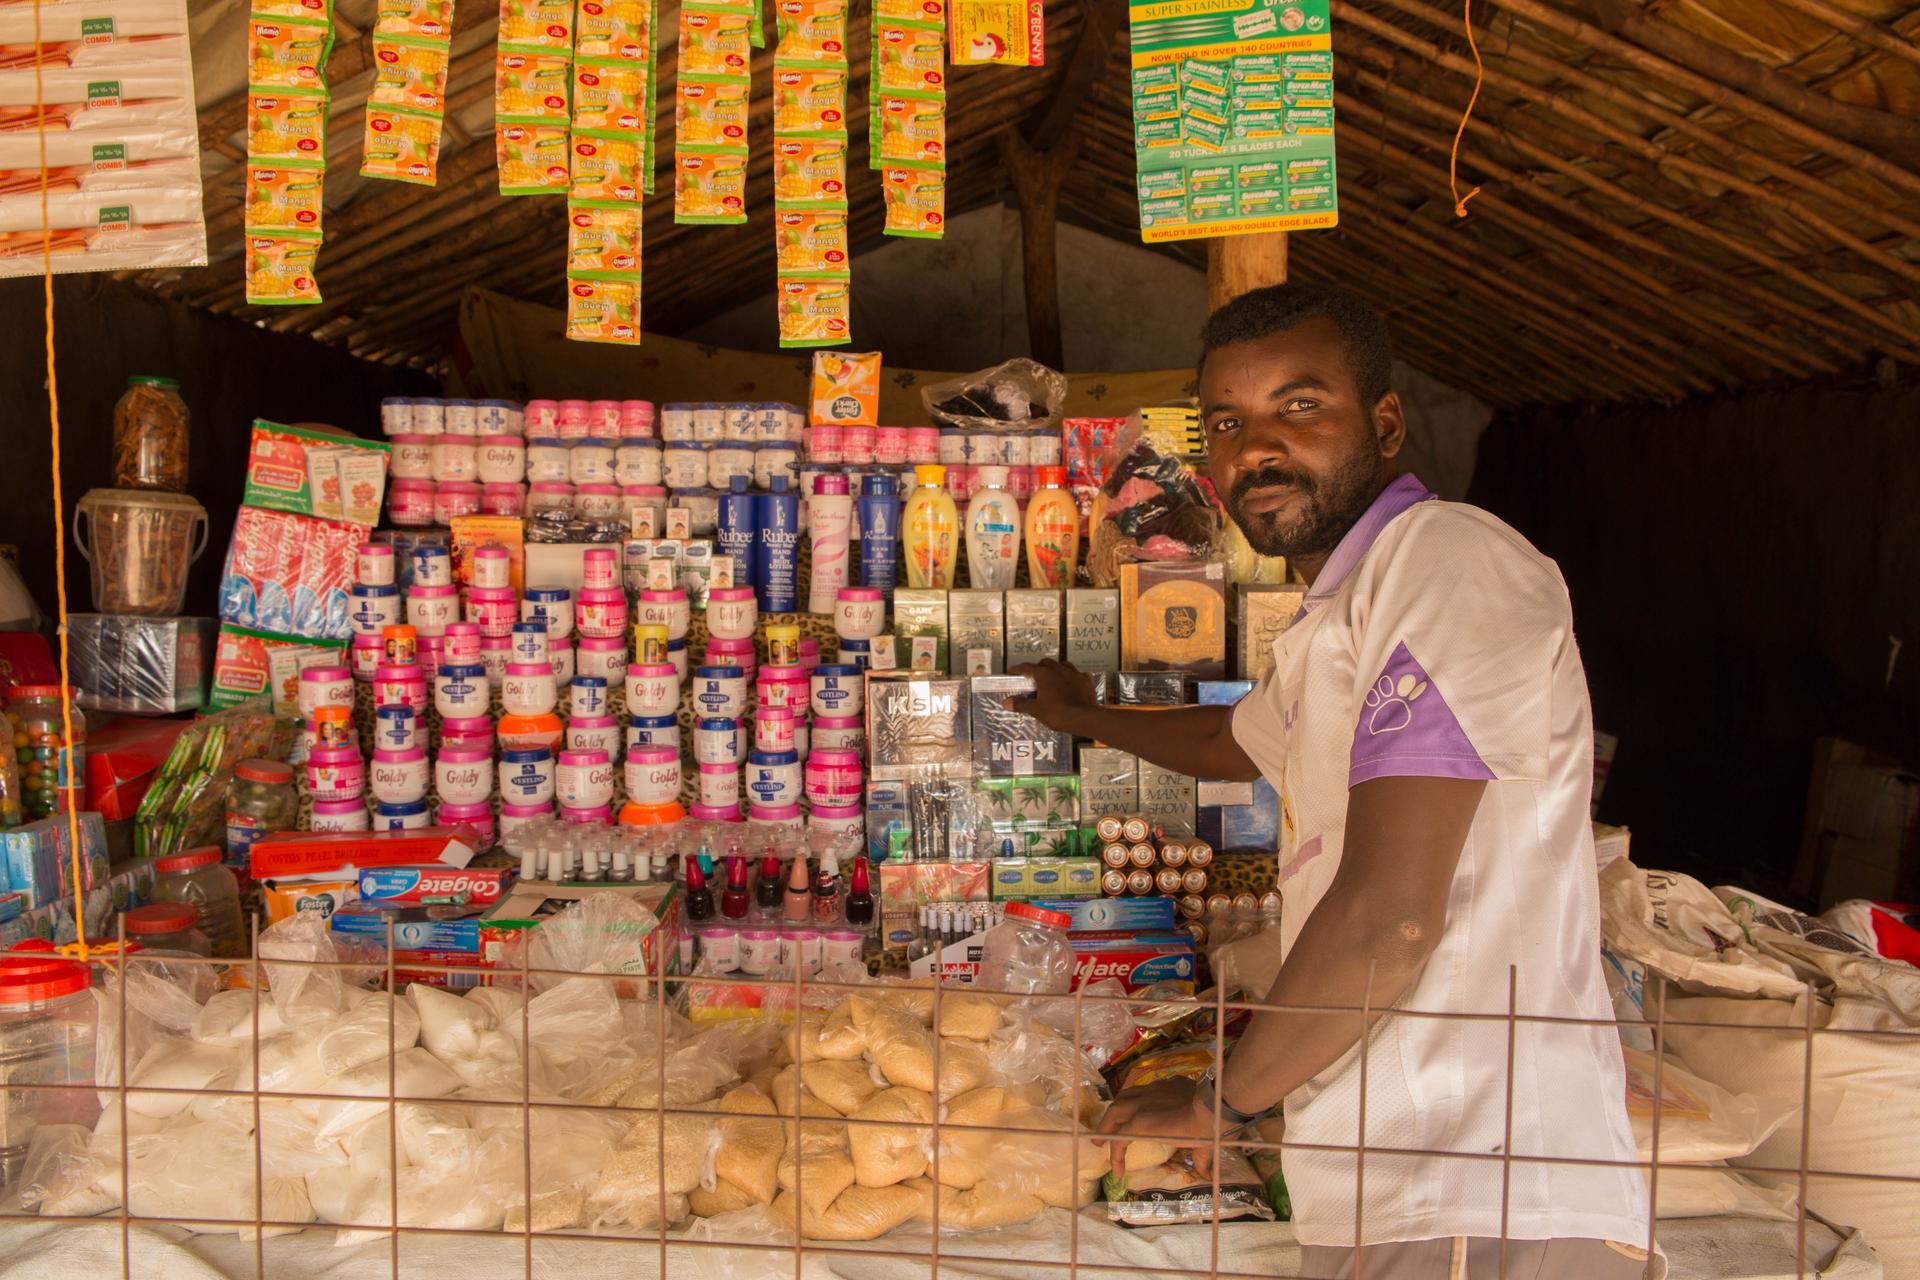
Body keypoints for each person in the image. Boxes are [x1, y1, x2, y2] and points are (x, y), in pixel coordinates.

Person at [1012, 283, 1656, 1279]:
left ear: (1385, 424)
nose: (1257, 449)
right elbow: (1239, 738)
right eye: (1228, 424)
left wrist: (1223, 1101)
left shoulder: (1446, 562)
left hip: (1475, 1175)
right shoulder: (1341, 612)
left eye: (1299, 406)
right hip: (1409, 1178)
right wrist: (1082, 717)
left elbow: (1390, 916)